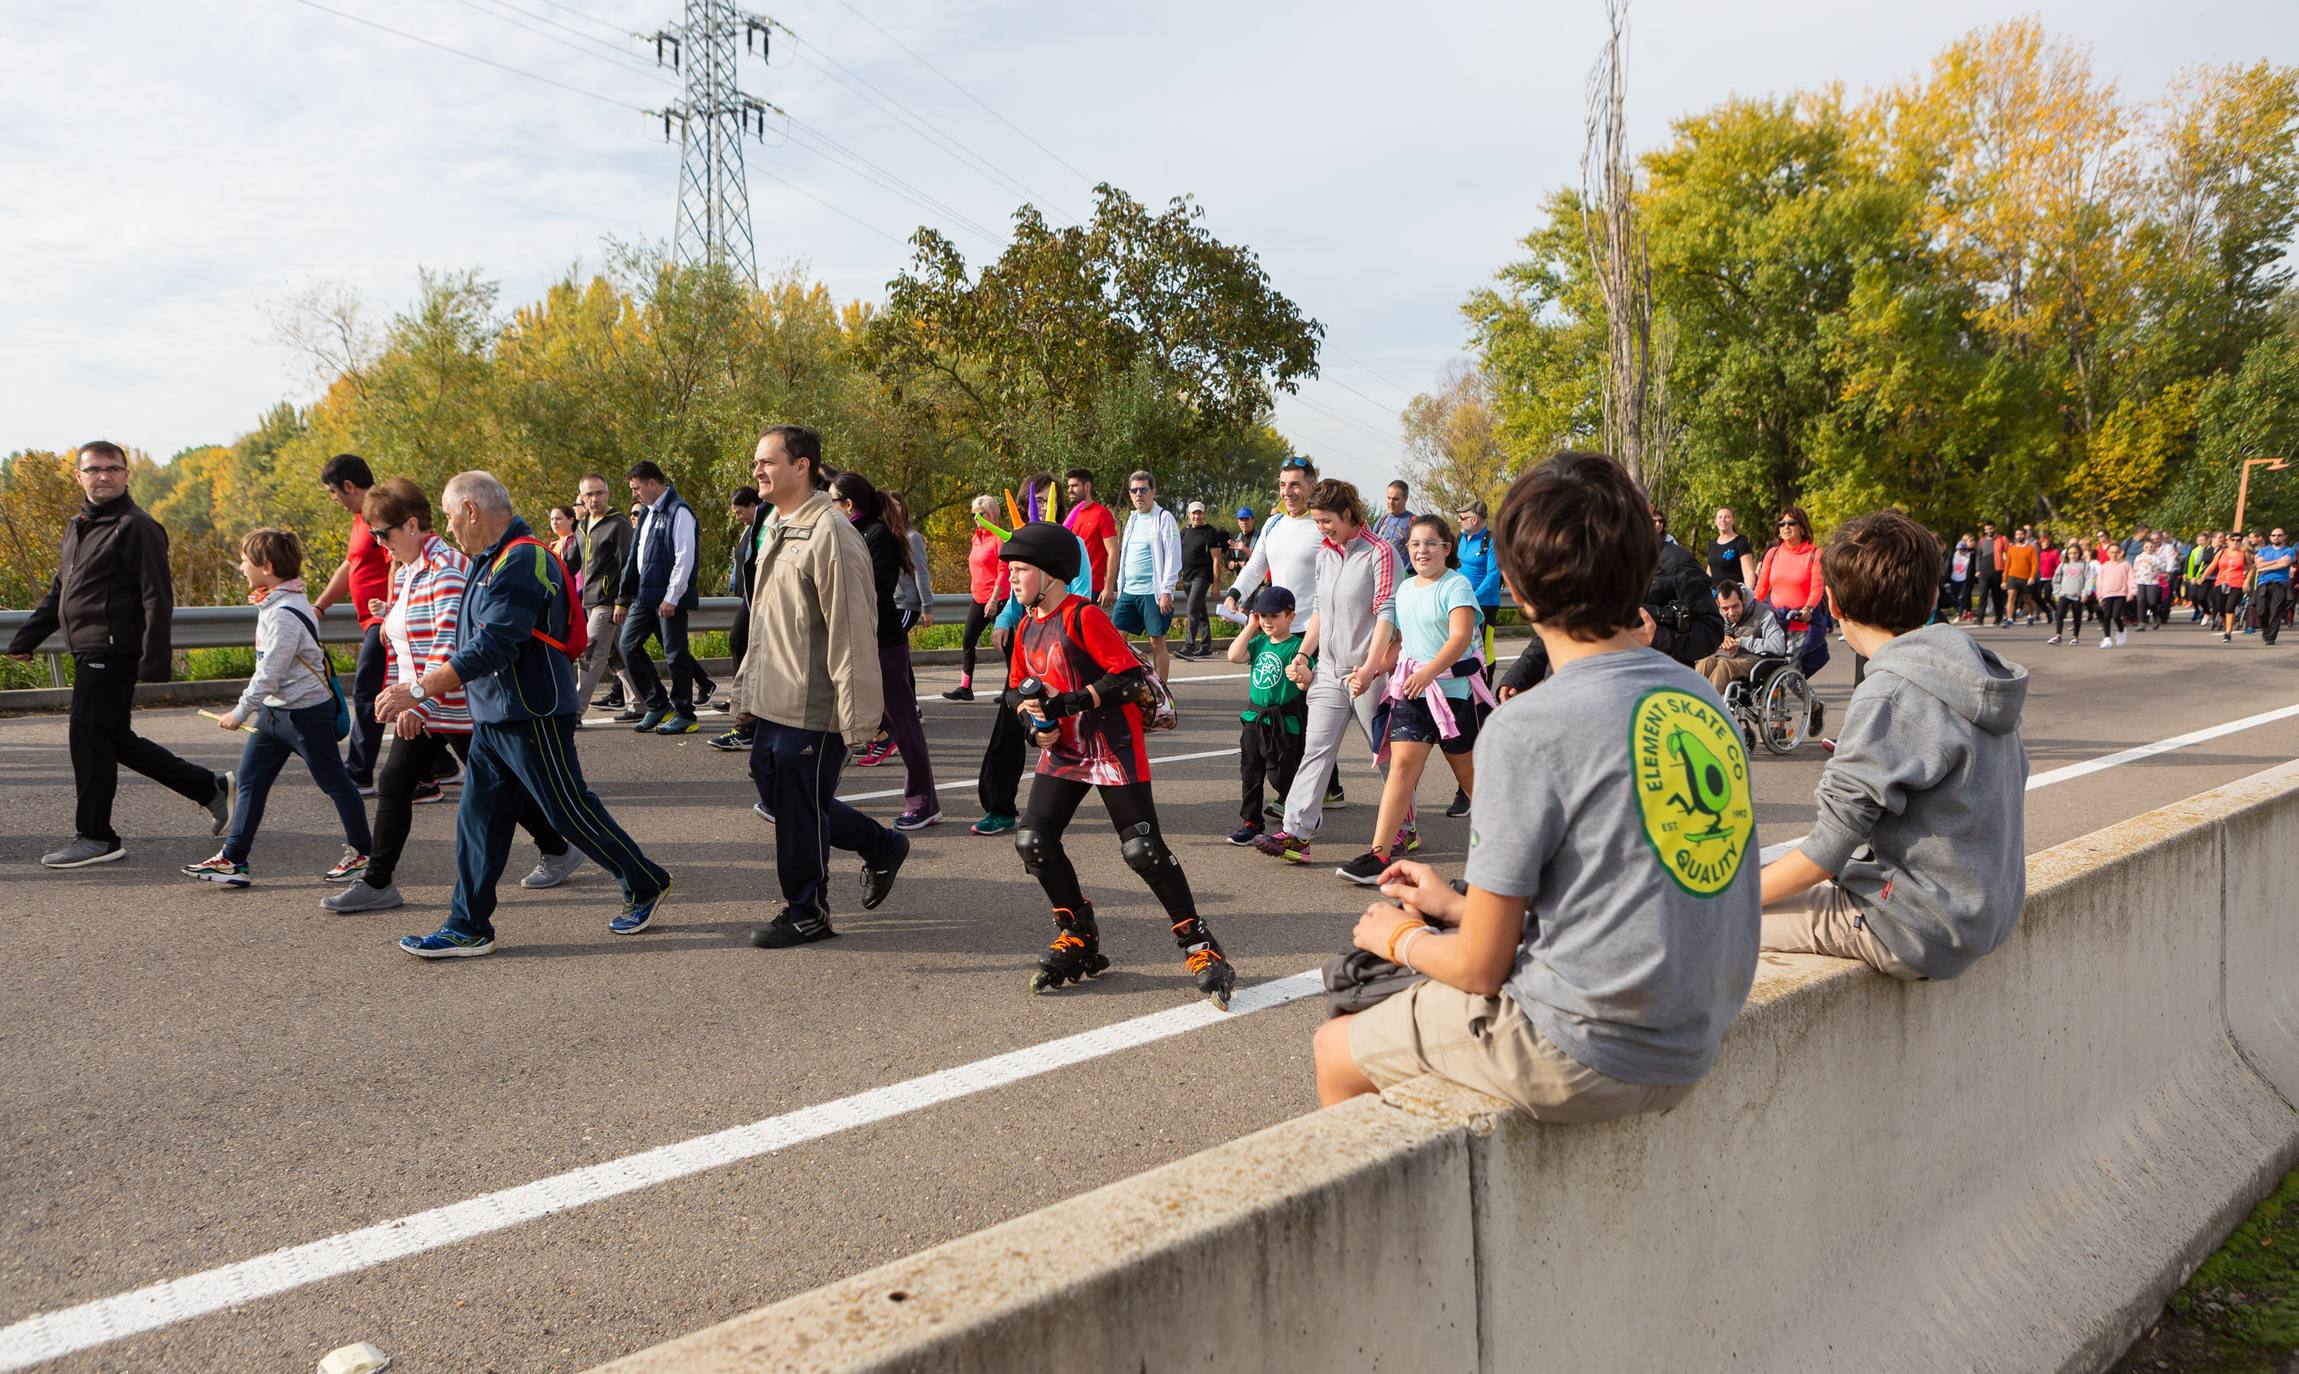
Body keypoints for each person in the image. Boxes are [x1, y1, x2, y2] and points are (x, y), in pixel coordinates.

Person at [1311, 451, 1760, 1119]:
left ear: (1515, 591)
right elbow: (1622, 890)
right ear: (1639, 573)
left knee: (1335, 1044)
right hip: (1692, 1037)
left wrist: (1395, 936)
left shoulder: (1527, 727)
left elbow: (1478, 969)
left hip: (1587, 1049)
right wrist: (1457, 905)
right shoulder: (1699, 697)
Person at [375, 471, 670, 957]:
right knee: (478, 823)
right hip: (493, 717)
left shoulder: (523, 557)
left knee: (567, 811)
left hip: (531, 714)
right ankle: (467, 925)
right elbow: (468, 640)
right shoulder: (489, 560)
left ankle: (645, 881)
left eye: (450, 518)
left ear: (471, 510)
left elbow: (495, 644)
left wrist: (420, 689)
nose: (448, 530)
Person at [1758, 509, 2029, 980]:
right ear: (1930, 595)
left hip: (1913, 927)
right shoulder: (1970, 670)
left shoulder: (1890, 693)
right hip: (1979, 914)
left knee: (1716, 919)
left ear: (1835, 606)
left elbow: (1826, 853)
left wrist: (1723, 901)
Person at [997, 521, 1237, 1009]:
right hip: (1064, 751)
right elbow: (1015, 690)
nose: (1013, 581)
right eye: (1012, 571)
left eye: (1021, 570)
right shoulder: (1025, 625)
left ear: (1051, 574)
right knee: (1033, 841)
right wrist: (1031, 724)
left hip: (1110, 746)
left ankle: (1200, 945)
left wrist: (1066, 704)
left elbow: (1128, 679)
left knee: (1142, 850)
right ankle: (1077, 931)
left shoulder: (1083, 617)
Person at [322, 478, 579, 912]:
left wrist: (419, 699)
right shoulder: (407, 572)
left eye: (384, 534)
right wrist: (404, 681)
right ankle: (379, 881)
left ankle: (569, 854)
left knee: (507, 786)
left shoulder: (446, 568)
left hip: (457, 704)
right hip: (428, 705)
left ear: (411, 525)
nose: (381, 545)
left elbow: (452, 642)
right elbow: (407, 643)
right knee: (400, 783)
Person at [8, 441, 232, 868]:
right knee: (112, 738)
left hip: (111, 648)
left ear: (127, 475)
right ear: (80, 476)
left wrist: (154, 658)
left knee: (87, 736)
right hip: (87, 647)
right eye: (94, 469)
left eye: (113, 468)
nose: (104, 475)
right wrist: (26, 638)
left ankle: (97, 836)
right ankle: (210, 788)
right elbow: (63, 590)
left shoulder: (136, 526)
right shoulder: (77, 526)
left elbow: (156, 596)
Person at [736, 425, 912, 948]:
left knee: (796, 808)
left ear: (802, 466)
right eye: (755, 463)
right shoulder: (776, 524)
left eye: (767, 461)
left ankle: (807, 910)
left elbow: (852, 631)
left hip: (812, 705)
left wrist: (857, 717)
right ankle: (881, 846)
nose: (758, 471)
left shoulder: (830, 533)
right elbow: (769, 622)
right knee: (781, 797)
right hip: (774, 697)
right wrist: (747, 694)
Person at [181, 529, 373, 887]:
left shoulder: (284, 612)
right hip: (275, 714)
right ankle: (233, 861)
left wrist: (240, 712)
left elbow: (271, 671)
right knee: (250, 783)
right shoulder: (274, 604)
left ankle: (363, 855)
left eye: (245, 561)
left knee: (334, 783)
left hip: (304, 715)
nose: (241, 567)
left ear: (267, 567)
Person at [1254, 479, 1400, 865]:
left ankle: (1404, 827)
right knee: (1315, 750)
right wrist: (1304, 653)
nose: (1321, 528)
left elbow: (1387, 613)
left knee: (1386, 756)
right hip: (1329, 671)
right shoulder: (1325, 553)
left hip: (1368, 673)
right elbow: (1319, 609)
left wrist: (1370, 668)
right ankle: (1296, 834)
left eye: (1326, 521)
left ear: (1349, 514)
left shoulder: (1380, 553)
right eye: (1317, 522)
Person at [1335, 513, 1485, 886]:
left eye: (1431, 543)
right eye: (1415, 544)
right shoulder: (1405, 590)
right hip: (1412, 693)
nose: (1422, 550)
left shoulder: (1457, 586)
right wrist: (1368, 672)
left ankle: (1509, 849)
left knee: (1470, 780)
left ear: (1446, 549)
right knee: (1401, 769)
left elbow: (1460, 637)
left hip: (1453, 697)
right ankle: (1379, 855)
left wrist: (1429, 672)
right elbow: (1399, 646)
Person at [1496, 500, 1724, 698]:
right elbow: (1558, 626)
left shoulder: (1677, 562)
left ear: (1647, 510)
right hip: (1577, 694)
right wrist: (1518, 676)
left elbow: (1711, 632)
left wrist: (1658, 638)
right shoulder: (1587, 560)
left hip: (1655, 702)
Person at [973, 474, 1093, 837]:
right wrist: (1004, 622)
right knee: (1010, 723)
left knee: (1088, 730)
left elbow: (1082, 591)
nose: (1041, 506)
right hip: (1028, 646)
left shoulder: (1071, 544)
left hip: (1065, 648)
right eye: (1035, 500)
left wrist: (1064, 630)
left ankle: (1122, 800)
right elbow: (1014, 594)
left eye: (1046, 499)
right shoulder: (1022, 541)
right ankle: (999, 807)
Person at [1224, 456, 1344, 808]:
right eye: (1282, 485)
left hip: (1311, 632)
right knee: (1287, 714)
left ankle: (1300, 792)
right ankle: (1324, 787)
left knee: (1304, 716)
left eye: (1295, 484)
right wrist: (1235, 593)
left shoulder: (1321, 526)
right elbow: (1258, 564)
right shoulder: (1274, 523)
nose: (1287, 492)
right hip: (1277, 634)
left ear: (1311, 484)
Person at [831, 472, 940, 829]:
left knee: (903, 723)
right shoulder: (853, 530)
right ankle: (810, 793)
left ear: (848, 505)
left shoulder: (875, 535)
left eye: (832, 500)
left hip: (881, 643)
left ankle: (924, 802)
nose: (826, 507)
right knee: (833, 718)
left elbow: (875, 592)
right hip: (853, 641)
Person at [306, 454, 389, 793]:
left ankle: (357, 772)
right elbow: (350, 566)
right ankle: (435, 770)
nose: (333, 499)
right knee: (385, 693)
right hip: (375, 621)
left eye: (332, 492)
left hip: (384, 622)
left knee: (368, 692)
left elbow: (402, 558)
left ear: (349, 486)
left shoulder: (381, 515)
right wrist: (320, 607)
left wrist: (392, 610)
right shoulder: (361, 519)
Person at [616, 460, 703, 735]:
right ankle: (657, 704)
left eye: (636, 488)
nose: (634, 494)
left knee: (675, 654)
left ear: (652, 483)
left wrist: (673, 597)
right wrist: (623, 596)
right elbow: (635, 557)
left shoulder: (679, 511)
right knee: (628, 645)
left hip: (668, 597)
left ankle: (685, 714)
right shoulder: (648, 513)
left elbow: (684, 557)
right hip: (645, 594)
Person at [1225, 585, 1310, 847]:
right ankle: (1251, 822)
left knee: (1280, 775)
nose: (1267, 621)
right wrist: (1251, 626)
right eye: (1263, 616)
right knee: (1250, 772)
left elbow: (1306, 679)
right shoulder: (1259, 641)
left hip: (1285, 722)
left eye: (1274, 616)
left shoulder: (1298, 646)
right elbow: (1234, 655)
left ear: (1290, 617)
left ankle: (1299, 814)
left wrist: (1300, 676)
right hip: (1255, 718)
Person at [710, 487, 771, 752]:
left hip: (763, 601)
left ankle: (749, 721)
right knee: (739, 645)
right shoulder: (755, 526)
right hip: (751, 599)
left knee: (745, 648)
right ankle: (743, 707)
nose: (738, 518)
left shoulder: (773, 518)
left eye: (739, 512)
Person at [570, 474, 636, 714]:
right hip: (589, 601)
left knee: (590, 653)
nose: (595, 499)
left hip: (608, 602)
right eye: (589, 494)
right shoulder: (583, 524)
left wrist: (622, 600)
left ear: (607, 494)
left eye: (599, 493)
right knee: (615, 655)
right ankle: (640, 702)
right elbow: (571, 562)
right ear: (582, 498)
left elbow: (628, 564)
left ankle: (574, 710)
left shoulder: (617, 523)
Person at [1106, 469, 1180, 681]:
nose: (1138, 494)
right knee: (1115, 639)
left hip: (1153, 592)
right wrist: (1117, 586)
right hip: (1129, 591)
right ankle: (1120, 685)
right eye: (1134, 490)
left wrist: (1166, 590)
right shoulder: (1132, 519)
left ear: (1153, 491)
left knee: (1157, 640)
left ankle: (1162, 692)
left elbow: (1174, 557)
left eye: (1143, 489)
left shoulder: (1164, 518)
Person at [944, 494, 1010, 700]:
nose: (977, 519)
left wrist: (993, 599)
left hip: (998, 598)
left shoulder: (1000, 537)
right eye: (974, 515)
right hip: (978, 597)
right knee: (968, 640)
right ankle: (965, 687)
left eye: (981, 514)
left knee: (1007, 646)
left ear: (992, 515)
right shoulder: (976, 538)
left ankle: (1011, 688)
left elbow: (1004, 570)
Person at [1694, 581, 1790, 691]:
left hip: (1754, 659)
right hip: (1726, 656)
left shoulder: (1764, 613)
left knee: (1724, 666)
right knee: (1705, 662)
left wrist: (1742, 641)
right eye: (1725, 608)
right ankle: (1686, 700)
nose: (1731, 613)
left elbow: (1778, 646)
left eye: (1735, 606)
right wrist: (1722, 637)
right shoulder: (1720, 613)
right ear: (1718, 604)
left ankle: (1709, 704)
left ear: (1743, 599)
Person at [1754, 507, 1826, 632]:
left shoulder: (1815, 553)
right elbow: (1761, 587)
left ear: (1802, 529)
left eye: (1791, 523)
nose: (1786, 527)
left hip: (1806, 624)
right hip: (1776, 624)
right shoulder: (1772, 553)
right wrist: (1752, 609)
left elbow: (1817, 588)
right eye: (1782, 524)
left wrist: (1807, 609)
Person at [1175, 500, 1228, 659]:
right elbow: (1178, 554)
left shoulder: (1210, 532)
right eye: (1194, 513)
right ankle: (1206, 646)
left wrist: (1216, 583)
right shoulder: (1184, 531)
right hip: (1187, 577)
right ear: (1189, 515)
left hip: (1202, 577)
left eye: (1199, 513)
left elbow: (1217, 559)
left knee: (1192, 609)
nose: (1197, 516)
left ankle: (1189, 646)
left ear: (1203, 514)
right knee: (1200, 611)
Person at [1063, 467, 1121, 599]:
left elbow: (1113, 551)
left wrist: (1108, 587)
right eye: (1068, 486)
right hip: (1070, 586)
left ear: (1087, 486)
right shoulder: (1071, 516)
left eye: (1074, 486)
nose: (1069, 490)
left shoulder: (1102, 514)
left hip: (1092, 587)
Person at [2048, 543, 2093, 645]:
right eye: (2070, 553)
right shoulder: (2063, 564)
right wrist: (2057, 592)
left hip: (2078, 594)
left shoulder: (2085, 565)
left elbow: (2089, 579)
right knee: (2060, 614)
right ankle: (2058, 636)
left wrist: (2085, 593)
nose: (2073, 555)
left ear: (2079, 553)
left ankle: (2075, 637)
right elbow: (2056, 579)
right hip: (2064, 594)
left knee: (2077, 615)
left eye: (2075, 553)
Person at [2253, 528, 2292, 645]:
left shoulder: (2289, 551)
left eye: (2280, 535)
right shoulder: (2263, 550)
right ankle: (2265, 629)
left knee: (2275, 611)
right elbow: (2258, 564)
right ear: (2270, 537)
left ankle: (2271, 637)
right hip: (2263, 583)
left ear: (2284, 537)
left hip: (2280, 584)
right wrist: (2276, 562)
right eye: (2274, 535)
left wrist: (2264, 568)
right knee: (2261, 611)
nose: (2276, 537)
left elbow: (2284, 563)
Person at [2093, 542, 2135, 648]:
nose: (2114, 554)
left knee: (2116, 616)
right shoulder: (2104, 567)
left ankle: (2121, 630)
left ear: (2120, 553)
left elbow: (2131, 580)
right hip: (2107, 594)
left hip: (2121, 593)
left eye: (2116, 552)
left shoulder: (2126, 565)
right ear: (2108, 553)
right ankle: (2107, 639)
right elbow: (2099, 582)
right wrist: (2100, 596)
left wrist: (2131, 592)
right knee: (2106, 616)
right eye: (2111, 552)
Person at [2211, 534, 2251, 643]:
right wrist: (2202, 577)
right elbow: (2212, 565)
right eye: (2233, 540)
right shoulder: (2221, 552)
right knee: (2221, 608)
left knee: (2230, 607)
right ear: (2228, 541)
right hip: (2221, 581)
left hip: (2237, 583)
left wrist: (2246, 581)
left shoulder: (2244, 554)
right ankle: (2226, 624)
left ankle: (2228, 632)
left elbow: (2251, 569)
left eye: (2238, 540)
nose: (2235, 542)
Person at [1707, 507, 1758, 588]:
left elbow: (1749, 572)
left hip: (1734, 594)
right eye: (1720, 517)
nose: (1723, 520)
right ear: (1715, 521)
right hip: (1714, 594)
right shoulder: (1712, 544)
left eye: (1727, 517)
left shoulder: (1741, 541)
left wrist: (1747, 593)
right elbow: (1709, 572)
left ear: (1733, 521)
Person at [1973, 520, 2007, 625]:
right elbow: (1978, 556)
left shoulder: (2002, 539)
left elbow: (2008, 554)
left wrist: (2006, 570)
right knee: (1983, 594)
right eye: (1987, 529)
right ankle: (1980, 618)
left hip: (1997, 570)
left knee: (1997, 595)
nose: (1989, 531)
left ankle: (1998, 616)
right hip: (1984, 571)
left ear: (1995, 528)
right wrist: (1978, 569)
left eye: (1991, 528)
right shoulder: (1982, 541)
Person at [2002, 528, 2039, 626]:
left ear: (2025, 535)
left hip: (2025, 578)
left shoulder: (2030, 548)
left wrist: (2032, 576)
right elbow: (2007, 565)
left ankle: (2030, 615)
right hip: (2012, 576)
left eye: (2021, 534)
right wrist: (2004, 580)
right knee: (2011, 597)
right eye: (2017, 534)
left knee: (2027, 599)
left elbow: (2034, 564)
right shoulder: (2012, 548)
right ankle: (2010, 619)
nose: (2018, 536)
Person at [1372, 481, 1415, 559]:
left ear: (1405, 498)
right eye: (1388, 498)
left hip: (1404, 570)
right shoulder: (1381, 521)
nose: (1390, 502)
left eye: (1395, 499)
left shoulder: (1413, 522)